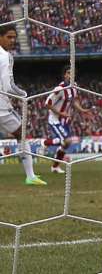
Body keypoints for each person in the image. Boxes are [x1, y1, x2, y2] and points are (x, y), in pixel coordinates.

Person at [0, 25, 47, 185]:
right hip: (1, 108)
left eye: (14, 37)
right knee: (22, 134)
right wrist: (24, 95)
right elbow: (8, 86)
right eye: (9, 37)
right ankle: (31, 176)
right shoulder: (5, 56)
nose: (12, 41)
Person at [41, 66, 91, 173]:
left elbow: (73, 101)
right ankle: (45, 142)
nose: (71, 75)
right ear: (64, 75)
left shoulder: (74, 87)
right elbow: (47, 104)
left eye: (72, 73)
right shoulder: (59, 89)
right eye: (68, 73)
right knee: (66, 140)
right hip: (55, 119)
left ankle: (55, 167)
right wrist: (61, 113)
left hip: (65, 120)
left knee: (66, 144)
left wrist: (82, 110)